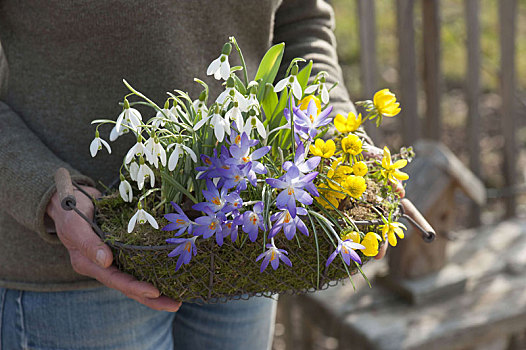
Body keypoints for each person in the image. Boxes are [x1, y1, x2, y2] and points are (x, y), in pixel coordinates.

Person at [0, 1, 389, 349]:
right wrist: (42, 189)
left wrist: (340, 136)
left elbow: (300, 18)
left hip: (245, 234)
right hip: (77, 262)